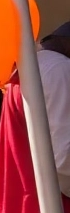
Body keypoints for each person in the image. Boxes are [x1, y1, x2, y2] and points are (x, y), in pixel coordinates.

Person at [39, 21, 70, 197]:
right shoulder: (61, 68)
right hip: (59, 191)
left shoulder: (35, 62)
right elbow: (64, 147)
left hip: (39, 180)